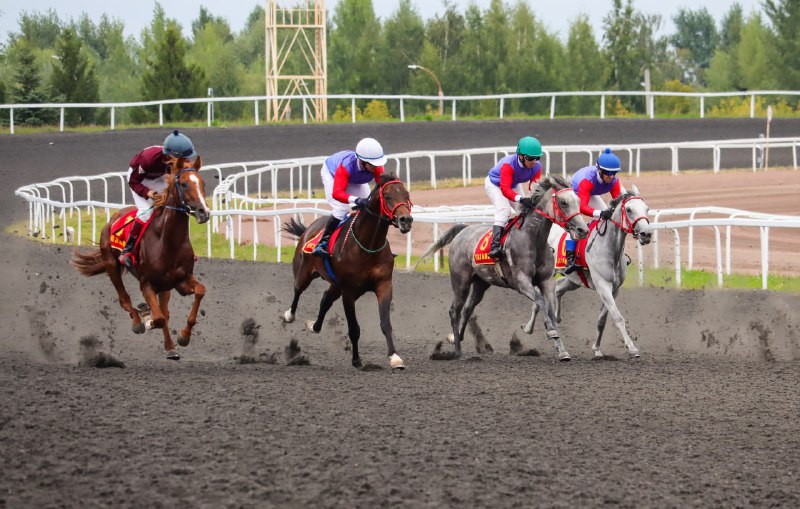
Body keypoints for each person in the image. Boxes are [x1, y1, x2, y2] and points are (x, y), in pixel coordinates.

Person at [118, 130, 197, 271]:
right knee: (146, 212)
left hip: (158, 177)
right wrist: (150, 194)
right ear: (171, 155)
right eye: (184, 158)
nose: (187, 160)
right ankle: (127, 250)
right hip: (139, 179)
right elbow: (134, 182)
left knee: (176, 208)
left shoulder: (178, 160)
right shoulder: (148, 159)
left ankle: (184, 247)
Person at [313, 137, 387, 257]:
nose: (376, 167)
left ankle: (376, 245)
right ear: (362, 161)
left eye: (377, 163)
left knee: (369, 207)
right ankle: (322, 243)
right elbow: (337, 193)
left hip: (354, 178)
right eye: (373, 164)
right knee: (341, 208)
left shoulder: (375, 166)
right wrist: (355, 200)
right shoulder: (346, 166)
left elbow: (381, 187)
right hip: (332, 175)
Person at [563, 147, 626, 274]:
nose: (611, 176)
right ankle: (569, 259)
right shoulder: (587, 181)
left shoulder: (614, 181)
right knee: (576, 224)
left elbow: (619, 202)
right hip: (576, 192)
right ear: (600, 170)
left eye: (614, 173)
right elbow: (582, 207)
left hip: (592, 192)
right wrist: (601, 213)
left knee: (610, 220)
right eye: (607, 173)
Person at [484, 136, 544, 260]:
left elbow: (534, 187)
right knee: (504, 209)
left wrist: (533, 199)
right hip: (495, 184)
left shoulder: (537, 167)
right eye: (531, 158)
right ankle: (495, 246)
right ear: (521, 156)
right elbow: (505, 189)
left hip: (513, 184)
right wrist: (521, 199)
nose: (534, 161)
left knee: (525, 211)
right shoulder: (508, 165)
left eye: (537, 158)